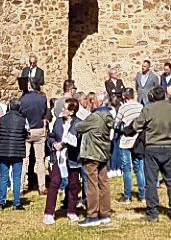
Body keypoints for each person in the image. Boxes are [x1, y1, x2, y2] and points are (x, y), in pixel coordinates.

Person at [138, 86, 171, 221]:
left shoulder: (148, 109)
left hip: (152, 147)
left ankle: (153, 212)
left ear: (152, 96)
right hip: (168, 147)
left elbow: (137, 126)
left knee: (151, 181)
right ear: (165, 95)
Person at [75, 91, 115, 226]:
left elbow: (79, 126)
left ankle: (92, 215)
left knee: (92, 184)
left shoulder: (95, 116)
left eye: (95, 101)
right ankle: (105, 213)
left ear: (101, 102)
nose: (92, 103)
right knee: (104, 183)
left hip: (92, 153)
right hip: (103, 152)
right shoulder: (108, 115)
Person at [45, 98, 83, 223]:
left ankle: (71, 211)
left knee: (73, 185)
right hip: (58, 157)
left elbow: (78, 141)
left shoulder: (79, 124)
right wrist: (53, 144)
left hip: (72, 159)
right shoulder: (58, 122)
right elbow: (51, 137)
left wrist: (66, 144)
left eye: (65, 108)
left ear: (71, 111)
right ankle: (49, 213)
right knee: (54, 183)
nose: (62, 110)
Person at [0, 97, 29, 209]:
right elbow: (27, 133)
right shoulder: (23, 119)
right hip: (17, 150)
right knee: (16, 177)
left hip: (3, 149)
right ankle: (16, 202)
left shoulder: (2, 119)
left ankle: (2, 202)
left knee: (3, 177)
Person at [17, 78, 49, 196]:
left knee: (24, 160)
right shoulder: (43, 98)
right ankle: (42, 186)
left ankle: (20, 186)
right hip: (39, 128)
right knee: (40, 160)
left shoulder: (23, 99)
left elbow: (20, 113)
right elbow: (45, 112)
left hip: (27, 129)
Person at [115, 88, 145, 201]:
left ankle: (127, 196)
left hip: (126, 141)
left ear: (124, 97)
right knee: (139, 169)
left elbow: (116, 123)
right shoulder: (140, 106)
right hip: (138, 140)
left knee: (127, 169)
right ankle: (142, 195)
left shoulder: (123, 107)